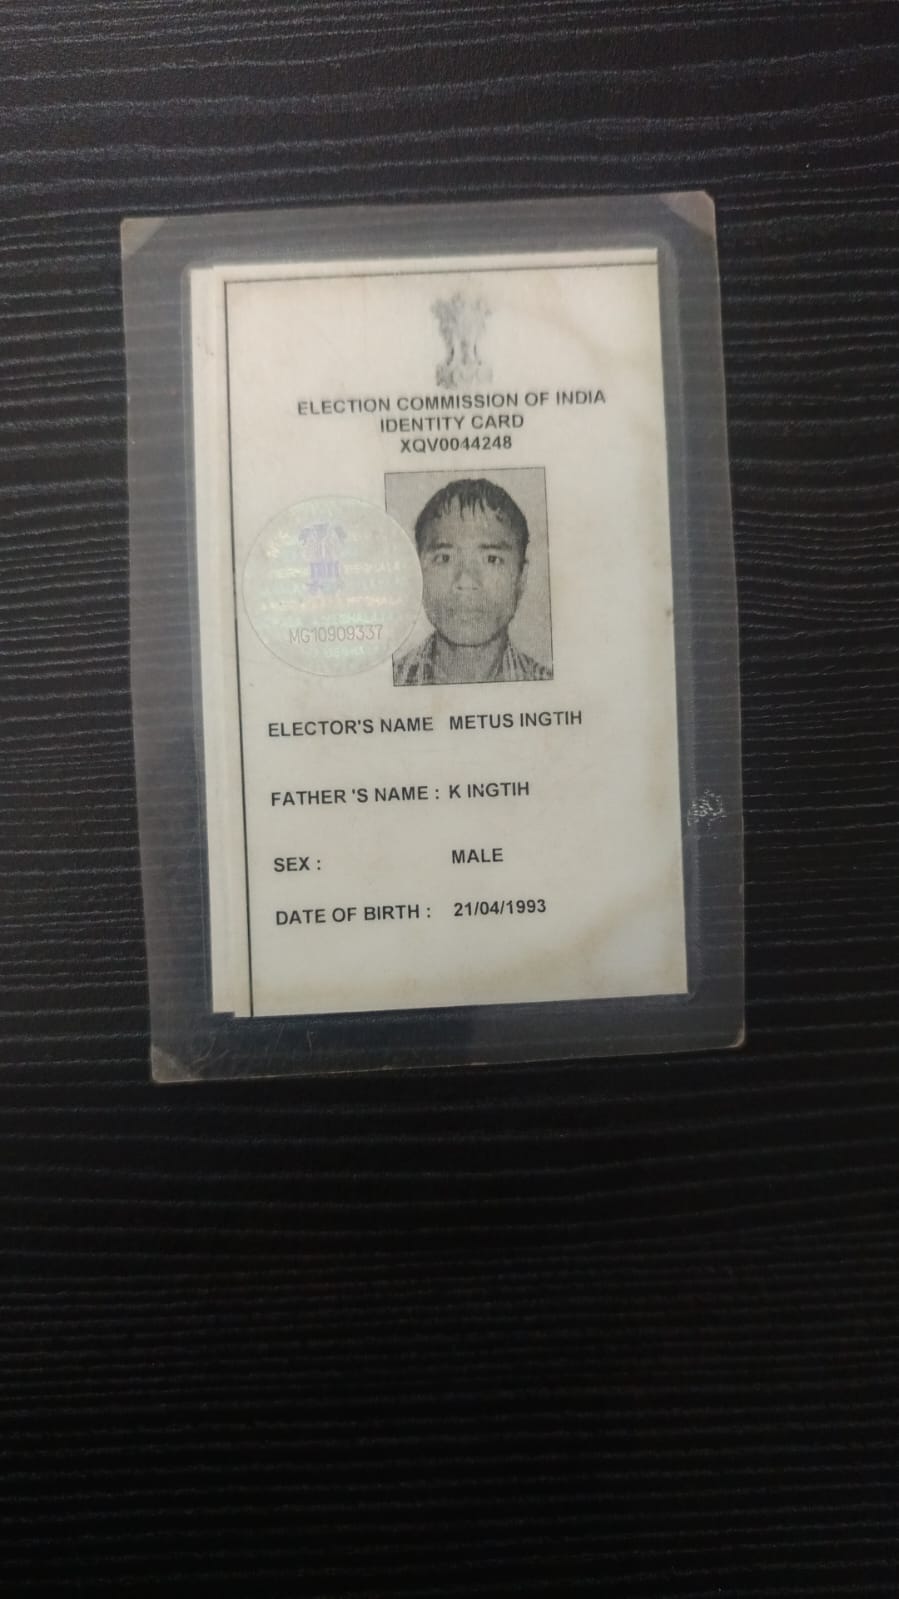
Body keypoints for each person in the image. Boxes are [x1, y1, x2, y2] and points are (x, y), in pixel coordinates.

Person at [392, 477, 552, 686]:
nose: (466, 581)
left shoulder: (553, 687)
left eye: (492, 559)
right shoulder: (383, 686)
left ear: (521, 578)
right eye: (444, 558)